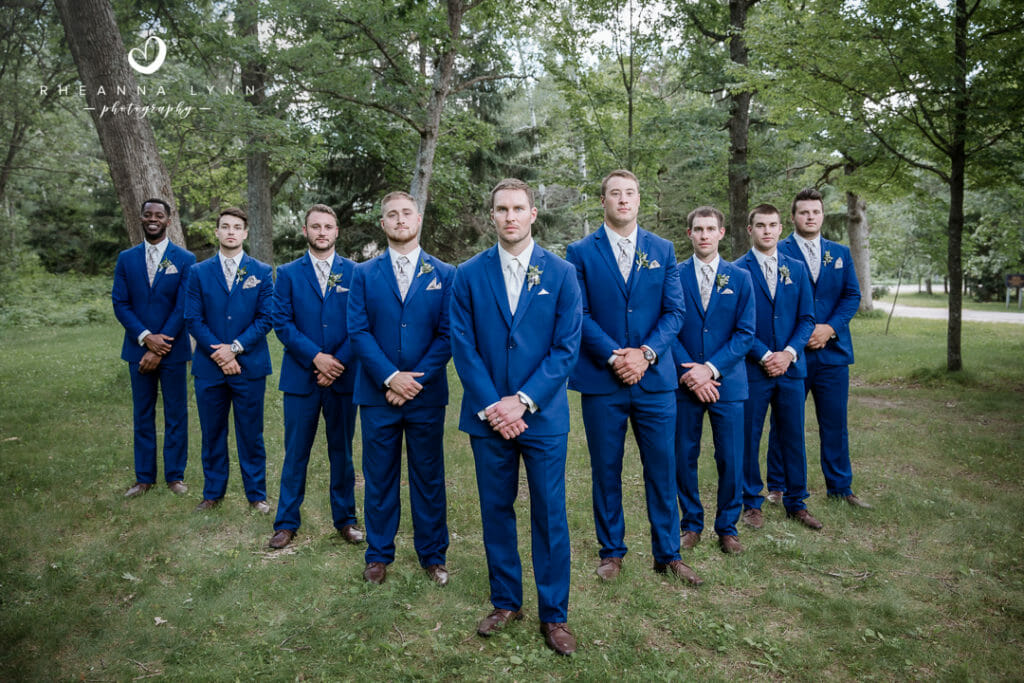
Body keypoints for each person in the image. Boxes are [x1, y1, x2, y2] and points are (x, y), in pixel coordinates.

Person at [450, 178, 582, 656]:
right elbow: (463, 345)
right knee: (495, 510)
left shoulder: (562, 273)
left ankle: (555, 613)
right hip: (488, 418)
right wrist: (494, 406)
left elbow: (566, 348)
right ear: (492, 216)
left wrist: (523, 401)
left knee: (549, 513)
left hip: (542, 417)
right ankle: (506, 601)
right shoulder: (467, 274)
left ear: (532, 215)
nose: (510, 216)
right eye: (502, 209)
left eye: (518, 208)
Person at [565, 169, 701, 586]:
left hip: (655, 380)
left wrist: (645, 354)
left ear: (639, 200)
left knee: (662, 467)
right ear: (602, 201)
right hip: (602, 381)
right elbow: (579, 313)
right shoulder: (580, 252)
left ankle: (668, 554)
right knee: (606, 468)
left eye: (630, 193)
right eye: (615, 193)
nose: (623, 199)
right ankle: (611, 552)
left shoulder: (662, 249)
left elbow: (675, 311)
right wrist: (614, 356)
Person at [347, 192, 453, 584]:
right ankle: (378, 555)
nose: (400, 219)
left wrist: (413, 381)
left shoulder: (445, 273)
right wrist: (391, 377)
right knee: (379, 476)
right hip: (378, 395)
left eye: (406, 213)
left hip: (426, 395)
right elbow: (358, 330)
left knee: (428, 476)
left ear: (418, 218)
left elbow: (448, 334)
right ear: (383, 224)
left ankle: (433, 555)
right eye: (392, 215)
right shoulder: (363, 274)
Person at [763, 188, 868, 508]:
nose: (810, 217)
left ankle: (840, 486)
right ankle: (778, 486)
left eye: (816, 212)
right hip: (792, 354)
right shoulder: (777, 250)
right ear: (793, 217)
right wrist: (800, 336)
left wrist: (829, 328)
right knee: (784, 422)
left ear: (822, 215)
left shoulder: (840, 253)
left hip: (832, 352)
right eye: (804, 212)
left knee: (835, 422)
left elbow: (851, 296)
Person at [267, 204, 364, 550]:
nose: (322, 232)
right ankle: (286, 522)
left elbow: (360, 322)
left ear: (337, 231)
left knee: (342, 452)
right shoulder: (288, 273)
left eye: (328, 226)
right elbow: (282, 323)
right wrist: (316, 358)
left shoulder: (356, 272)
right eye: (315, 226)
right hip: (301, 378)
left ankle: (346, 519)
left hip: (343, 377)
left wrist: (336, 362)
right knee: (295, 452)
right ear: (305, 231)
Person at [673, 206, 755, 554]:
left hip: (727, 383)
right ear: (689, 234)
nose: (704, 235)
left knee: (731, 458)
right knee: (683, 455)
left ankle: (728, 527)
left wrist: (711, 368)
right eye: (698, 229)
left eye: (710, 229)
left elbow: (746, 333)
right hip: (684, 383)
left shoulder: (740, 278)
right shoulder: (674, 275)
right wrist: (691, 373)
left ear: (722, 233)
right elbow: (668, 326)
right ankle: (691, 523)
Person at [734, 204, 820, 530]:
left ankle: (796, 502)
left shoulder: (796, 269)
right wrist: (765, 355)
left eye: (772, 225)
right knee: (749, 436)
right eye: (760, 225)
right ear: (750, 230)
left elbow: (807, 319)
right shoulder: (737, 270)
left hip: (791, 369)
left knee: (792, 436)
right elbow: (736, 322)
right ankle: (751, 502)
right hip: (753, 370)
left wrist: (788, 353)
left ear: (780, 228)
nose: (767, 231)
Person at [185, 207, 274, 513]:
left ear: (245, 233)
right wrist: (219, 354)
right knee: (212, 433)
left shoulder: (261, 271)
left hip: (249, 366)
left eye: (237, 227)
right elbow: (193, 319)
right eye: (225, 226)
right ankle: (212, 493)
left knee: (251, 433)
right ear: (217, 232)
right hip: (209, 368)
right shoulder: (198, 272)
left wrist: (234, 348)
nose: (231, 231)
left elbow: (266, 318)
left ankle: (256, 495)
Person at [112, 198, 196, 498]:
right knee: (143, 414)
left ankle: (175, 476)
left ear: (168, 221)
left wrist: (160, 345)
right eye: (148, 214)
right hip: (138, 350)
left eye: (159, 215)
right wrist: (146, 337)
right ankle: (144, 478)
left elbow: (183, 305)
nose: (153, 219)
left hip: (173, 350)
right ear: (141, 218)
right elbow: (120, 303)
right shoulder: (126, 258)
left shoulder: (185, 259)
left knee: (176, 413)